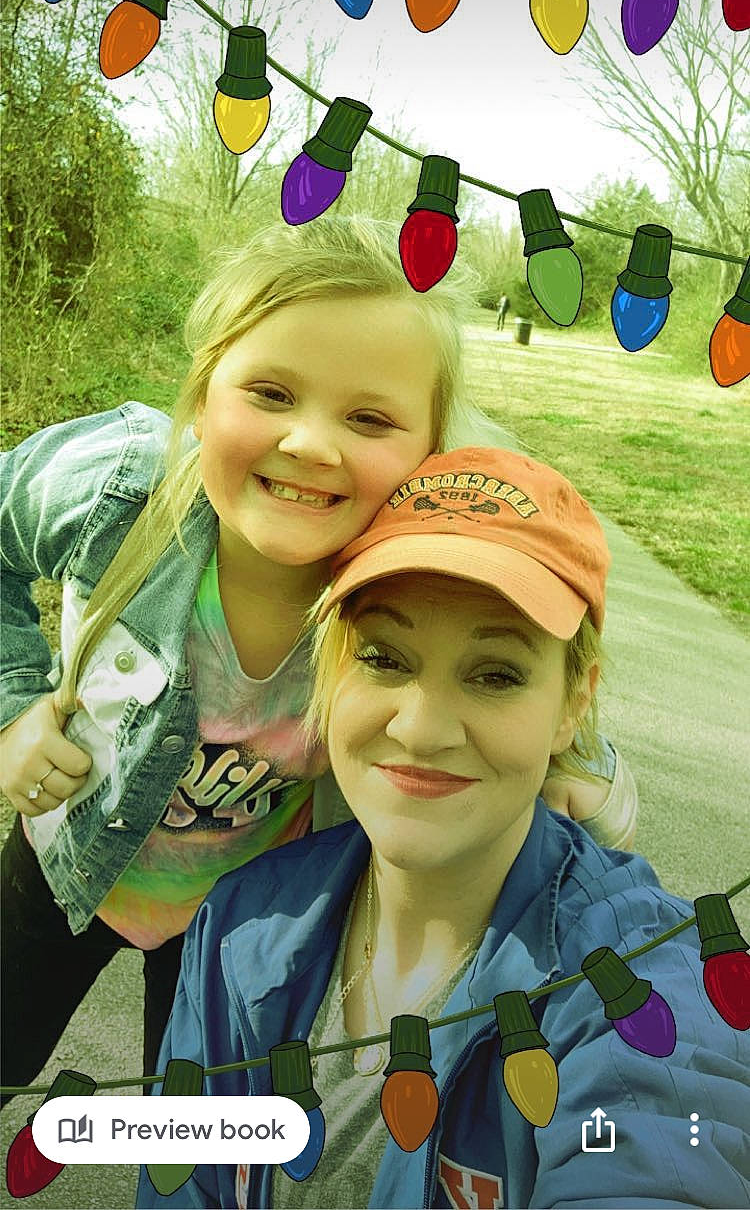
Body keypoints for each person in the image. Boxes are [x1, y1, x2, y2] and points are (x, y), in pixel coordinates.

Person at [0, 218, 633, 1105]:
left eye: (369, 418)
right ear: (203, 387)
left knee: (202, 1130)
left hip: (236, 915)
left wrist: (582, 780)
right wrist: (13, 706)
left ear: (427, 451)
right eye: (269, 392)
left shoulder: (404, 582)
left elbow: (532, 681)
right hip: (63, 861)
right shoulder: (116, 486)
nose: (310, 443)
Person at [137, 446, 748, 1210]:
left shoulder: (637, 987)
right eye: (384, 658)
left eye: (495, 674)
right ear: (331, 672)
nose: (422, 730)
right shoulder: (239, 928)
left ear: (572, 703)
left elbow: (661, 1148)